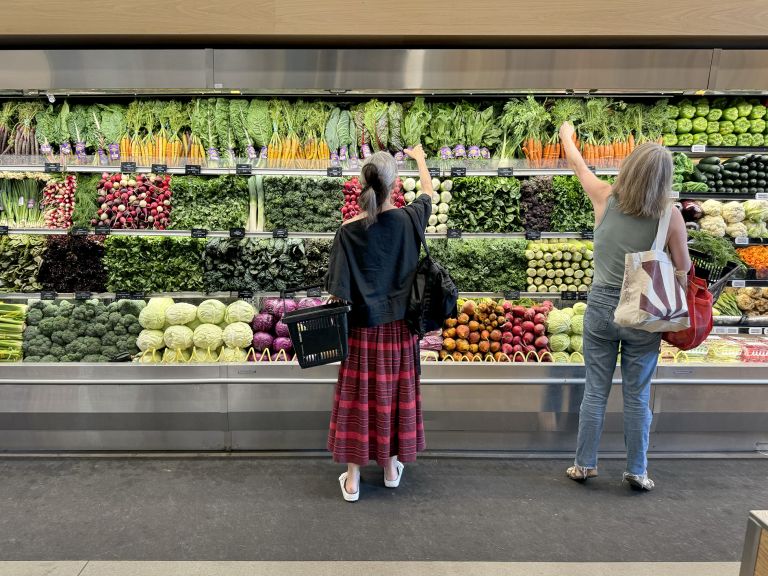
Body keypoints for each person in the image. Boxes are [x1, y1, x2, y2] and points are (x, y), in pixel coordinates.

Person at [559, 122, 691, 491]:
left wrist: (568, 136)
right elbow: (684, 268)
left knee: (595, 390)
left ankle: (583, 465)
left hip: (601, 306)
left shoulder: (605, 196)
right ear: (664, 179)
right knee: (637, 395)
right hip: (644, 310)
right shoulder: (670, 214)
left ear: (629, 168)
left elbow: (578, 165)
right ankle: (637, 470)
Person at [325, 145, 434, 502]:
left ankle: (353, 480)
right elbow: (430, 194)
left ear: (362, 184)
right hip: (400, 331)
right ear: (396, 185)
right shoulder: (410, 219)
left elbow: (339, 293)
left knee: (359, 400)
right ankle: (389, 470)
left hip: (359, 330)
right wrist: (419, 158)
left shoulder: (347, 231)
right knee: (390, 399)